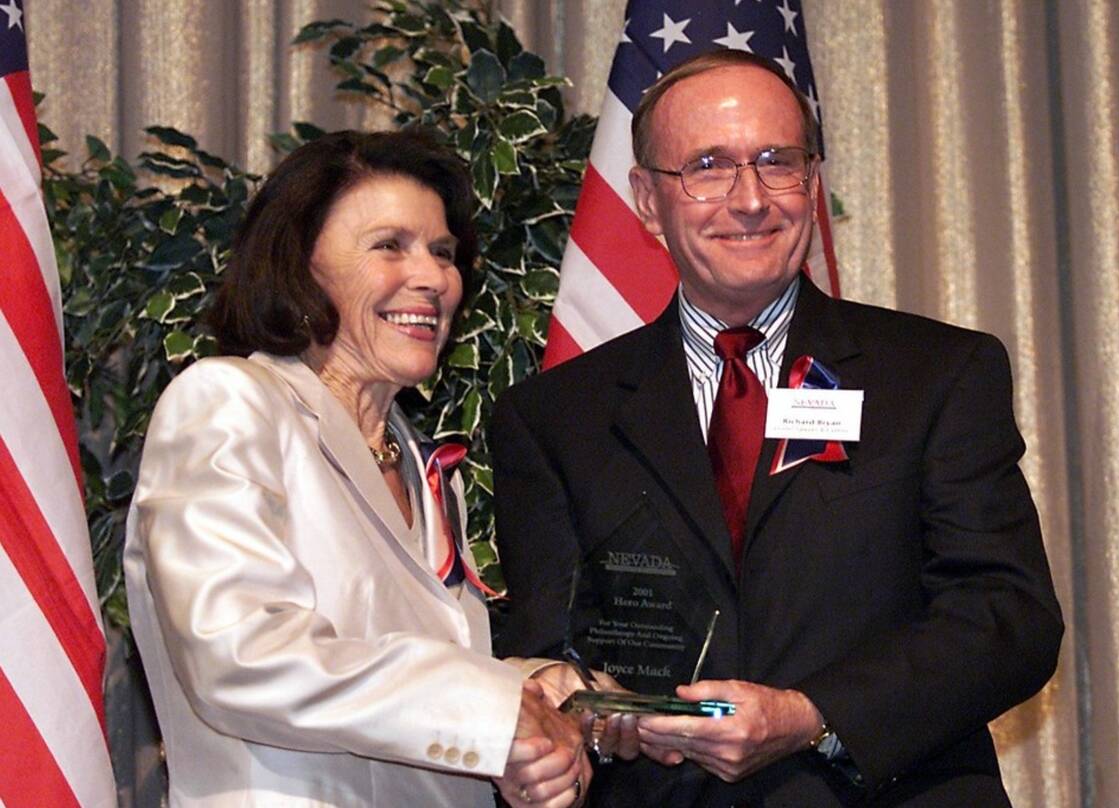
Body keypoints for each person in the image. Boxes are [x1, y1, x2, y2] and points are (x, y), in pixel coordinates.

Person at [490, 50, 1063, 806]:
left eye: (775, 161)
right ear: (647, 201)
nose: (750, 198)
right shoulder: (552, 417)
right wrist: (595, 715)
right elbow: (549, 653)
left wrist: (808, 716)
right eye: (708, 166)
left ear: (813, 181)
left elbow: (1007, 618)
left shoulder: (938, 374)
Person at [124, 130, 591, 807]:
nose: (432, 277)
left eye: (442, 252)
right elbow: (238, 654)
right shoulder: (228, 403)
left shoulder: (425, 468)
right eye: (389, 246)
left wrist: (530, 706)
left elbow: (392, 690)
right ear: (301, 264)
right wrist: (490, 710)